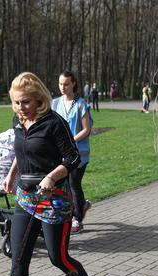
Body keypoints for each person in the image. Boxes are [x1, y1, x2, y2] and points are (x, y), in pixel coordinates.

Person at [3, 72, 103, 276]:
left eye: (25, 102)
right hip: (26, 198)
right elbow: (22, 149)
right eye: (16, 102)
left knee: (58, 258)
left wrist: (51, 177)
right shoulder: (18, 122)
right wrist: (11, 173)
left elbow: (72, 158)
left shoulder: (53, 122)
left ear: (38, 99)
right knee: (18, 259)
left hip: (54, 201)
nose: (20, 107)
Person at [52, 70, 93, 234]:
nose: (63, 87)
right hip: (61, 153)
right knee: (64, 185)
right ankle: (80, 206)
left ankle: (77, 219)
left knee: (74, 184)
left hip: (79, 153)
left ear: (73, 84)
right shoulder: (54, 104)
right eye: (60, 84)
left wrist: (70, 141)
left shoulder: (81, 105)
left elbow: (86, 130)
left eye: (66, 84)